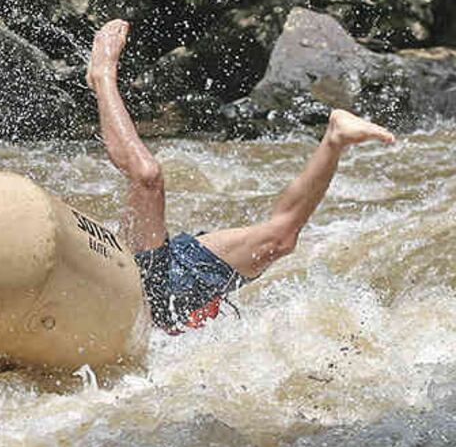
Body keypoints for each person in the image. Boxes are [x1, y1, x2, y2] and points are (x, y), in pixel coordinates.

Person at [87, 18, 395, 332]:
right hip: (141, 278)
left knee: (281, 239)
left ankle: (335, 137)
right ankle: (102, 75)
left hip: (174, 290)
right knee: (147, 176)